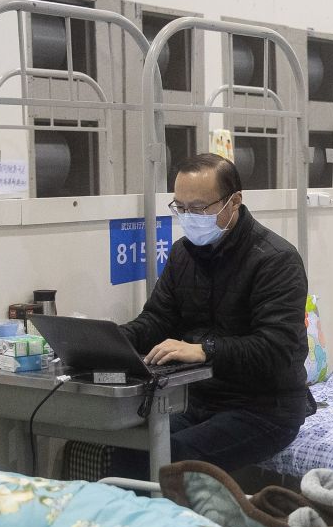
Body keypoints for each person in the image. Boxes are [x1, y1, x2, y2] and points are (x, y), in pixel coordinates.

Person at [116, 153, 311, 475]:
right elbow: (158, 318)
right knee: (128, 447)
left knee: (170, 459)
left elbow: (277, 347)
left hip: (264, 409)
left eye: (198, 208)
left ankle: (174, 526)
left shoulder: (275, 260)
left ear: (234, 201)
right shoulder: (183, 253)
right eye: (180, 207)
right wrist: (114, 341)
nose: (188, 216)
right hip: (198, 400)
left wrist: (205, 351)